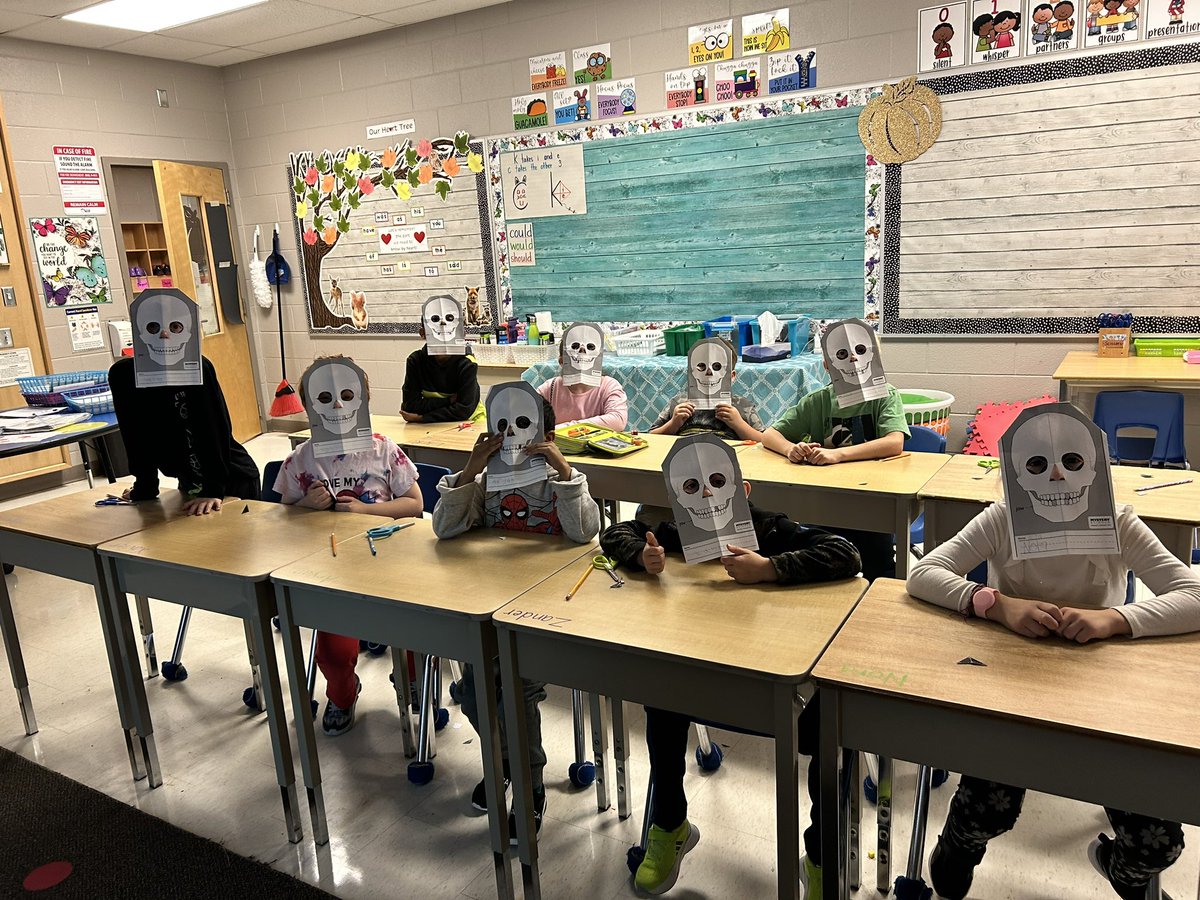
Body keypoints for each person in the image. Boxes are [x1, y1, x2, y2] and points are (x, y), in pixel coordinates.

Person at [906, 503, 1200, 900]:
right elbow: (922, 574)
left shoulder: (1117, 522)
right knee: (986, 810)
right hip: (1015, 691)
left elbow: (1195, 595)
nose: (1058, 478)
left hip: (1101, 699)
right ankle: (960, 846)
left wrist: (1116, 618)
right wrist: (996, 604)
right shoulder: (1003, 517)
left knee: (1158, 841)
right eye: (1039, 465)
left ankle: (1123, 873)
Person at [600, 490, 861, 896]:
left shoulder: (770, 528)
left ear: (744, 491)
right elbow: (615, 532)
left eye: (717, 484)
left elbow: (846, 554)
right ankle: (670, 825)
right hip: (705, 674)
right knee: (661, 696)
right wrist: (640, 556)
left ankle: (821, 855)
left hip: (777, 679)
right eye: (690, 488)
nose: (705, 496)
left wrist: (770, 568)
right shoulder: (676, 530)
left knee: (827, 728)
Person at [432, 396, 600, 839]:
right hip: (488, 605)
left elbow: (584, 530)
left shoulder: (559, 480)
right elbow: (446, 529)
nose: (510, 435)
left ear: (546, 436)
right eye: (501, 426)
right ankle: (505, 762)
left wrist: (563, 471)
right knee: (473, 694)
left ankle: (531, 784)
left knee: (514, 693)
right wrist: (471, 469)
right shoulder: (485, 482)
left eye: (522, 425)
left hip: (543, 614)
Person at [275, 358, 424, 736]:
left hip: (392, 571)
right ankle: (342, 695)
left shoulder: (384, 449)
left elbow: (415, 504)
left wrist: (366, 509)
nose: (338, 407)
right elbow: (281, 517)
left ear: (364, 400)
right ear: (309, 406)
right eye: (325, 398)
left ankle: (412, 685)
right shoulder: (300, 459)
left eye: (347, 396)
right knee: (334, 653)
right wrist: (306, 505)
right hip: (333, 572)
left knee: (413, 644)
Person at [759, 369, 909, 581]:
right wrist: (790, 449)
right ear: (826, 364)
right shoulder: (818, 400)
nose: (854, 359)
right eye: (841, 353)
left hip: (873, 503)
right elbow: (770, 435)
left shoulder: (884, 395)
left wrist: (837, 454)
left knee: (879, 566)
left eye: (860, 350)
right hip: (825, 503)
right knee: (823, 564)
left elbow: (894, 442)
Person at [110, 355, 259, 516]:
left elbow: (215, 429)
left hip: (232, 478)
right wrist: (145, 486)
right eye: (152, 327)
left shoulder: (194, 364)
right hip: (190, 483)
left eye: (175, 327)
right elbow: (135, 437)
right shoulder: (124, 374)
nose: (164, 334)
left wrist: (213, 490)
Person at [649, 354, 765, 442]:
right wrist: (673, 424)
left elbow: (764, 441)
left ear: (732, 376)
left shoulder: (743, 406)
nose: (709, 372)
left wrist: (739, 424)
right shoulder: (679, 403)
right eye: (701, 366)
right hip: (685, 457)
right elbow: (651, 437)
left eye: (717, 367)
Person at [399, 325, 485, 423]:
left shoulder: (467, 363)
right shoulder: (415, 361)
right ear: (423, 333)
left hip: (471, 422)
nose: (443, 334)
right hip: (430, 426)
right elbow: (410, 406)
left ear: (461, 333)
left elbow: (463, 410)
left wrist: (422, 418)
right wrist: (449, 401)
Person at [536, 344, 629, 431]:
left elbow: (618, 420)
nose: (582, 351)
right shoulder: (550, 388)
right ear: (562, 361)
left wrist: (564, 428)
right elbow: (528, 413)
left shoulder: (609, 386)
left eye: (590, 347)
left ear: (598, 358)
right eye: (575, 346)